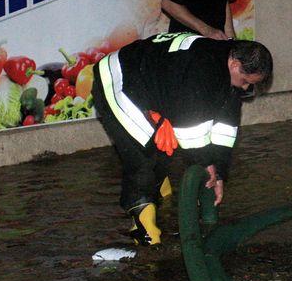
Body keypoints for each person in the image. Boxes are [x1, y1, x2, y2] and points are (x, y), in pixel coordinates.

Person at [92, 31, 272, 246]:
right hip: (118, 79)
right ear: (234, 65)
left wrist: (221, 171)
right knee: (141, 155)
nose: (245, 88)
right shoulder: (203, 69)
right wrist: (206, 165)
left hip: (155, 85)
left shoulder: (226, 71)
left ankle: (159, 192)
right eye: (244, 82)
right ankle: (144, 230)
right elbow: (191, 132)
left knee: (166, 145)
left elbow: (225, 128)